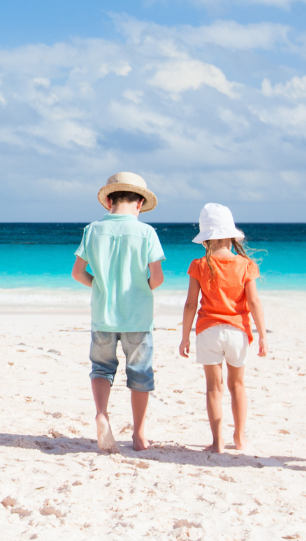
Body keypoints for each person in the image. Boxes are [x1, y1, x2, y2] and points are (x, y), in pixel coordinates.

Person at [72, 172, 166, 453]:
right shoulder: (146, 232)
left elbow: (77, 273)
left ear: (109, 201)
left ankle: (102, 414)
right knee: (140, 373)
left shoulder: (93, 230)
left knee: (101, 368)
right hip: (138, 316)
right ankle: (139, 435)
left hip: (103, 315)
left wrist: (99, 286)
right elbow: (157, 277)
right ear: (139, 203)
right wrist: (142, 288)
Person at [176, 203, 268, 454]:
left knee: (213, 388)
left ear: (206, 238)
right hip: (238, 332)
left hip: (208, 331)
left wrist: (185, 337)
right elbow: (254, 302)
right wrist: (262, 335)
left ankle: (217, 442)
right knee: (237, 385)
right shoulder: (246, 265)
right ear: (230, 236)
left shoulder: (199, 265)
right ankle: (239, 438)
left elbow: (190, 304)